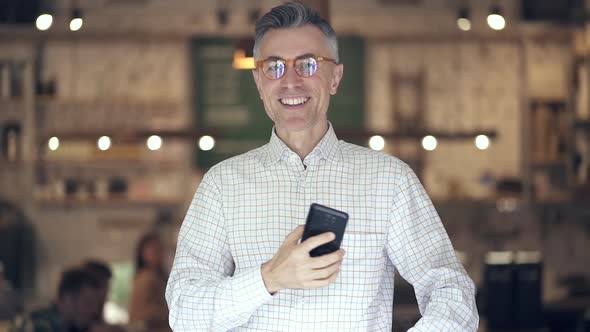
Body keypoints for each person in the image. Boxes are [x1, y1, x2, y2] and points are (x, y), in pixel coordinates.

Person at [166, 2, 479, 331]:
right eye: (274, 67)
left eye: (308, 65)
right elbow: (186, 314)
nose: (290, 82)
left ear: (335, 77)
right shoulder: (222, 185)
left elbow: (452, 293)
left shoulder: (390, 181)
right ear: (259, 83)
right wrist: (269, 278)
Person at [10, 267, 103, 332]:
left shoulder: (68, 326)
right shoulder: (39, 324)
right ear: (69, 299)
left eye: (97, 305)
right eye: (88, 304)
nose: (95, 311)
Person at [128, 233, 170, 332]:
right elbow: (141, 313)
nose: (158, 254)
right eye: (153, 250)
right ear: (142, 253)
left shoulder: (160, 277)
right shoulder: (145, 278)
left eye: (160, 249)